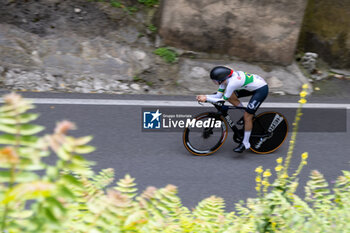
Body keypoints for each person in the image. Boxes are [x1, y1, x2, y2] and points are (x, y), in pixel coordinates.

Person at [196, 66, 269, 153]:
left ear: (220, 78)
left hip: (261, 89)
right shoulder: (224, 79)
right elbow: (218, 96)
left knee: (247, 117)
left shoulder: (232, 82)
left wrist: (206, 98)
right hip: (251, 86)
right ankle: (246, 113)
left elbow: (222, 100)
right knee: (230, 97)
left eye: (214, 80)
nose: (214, 82)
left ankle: (245, 143)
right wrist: (205, 96)